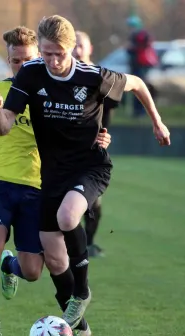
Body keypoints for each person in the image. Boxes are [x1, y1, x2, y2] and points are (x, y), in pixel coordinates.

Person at [0, 15, 170, 330]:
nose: (53, 61)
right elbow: (5, 126)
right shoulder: (30, 74)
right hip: (52, 176)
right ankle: (80, 330)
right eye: (46, 53)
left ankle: (81, 293)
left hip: (90, 167)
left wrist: (157, 121)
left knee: (68, 217)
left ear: (72, 49)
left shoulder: (92, 76)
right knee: (54, 258)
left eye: (59, 53)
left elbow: (137, 84)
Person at [0, 26, 111, 336]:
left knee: (34, 271)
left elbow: (84, 125)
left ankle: (12, 265)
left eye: (26, 60)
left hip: (38, 188)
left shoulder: (54, 95)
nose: (20, 67)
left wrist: (101, 138)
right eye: (14, 61)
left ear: (40, 57)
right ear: (8, 60)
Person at [73, 30, 119, 258]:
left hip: (93, 151)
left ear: (90, 48)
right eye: (73, 45)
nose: (77, 49)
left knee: (94, 204)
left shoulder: (102, 78)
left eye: (81, 44)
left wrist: (103, 136)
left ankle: (88, 243)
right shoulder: (62, 79)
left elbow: (108, 111)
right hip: (65, 151)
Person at [125, 15, 158, 118]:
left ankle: (141, 111)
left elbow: (144, 47)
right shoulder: (134, 35)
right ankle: (137, 111)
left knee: (140, 87)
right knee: (135, 88)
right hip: (136, 65)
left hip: (142, 65)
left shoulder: (142, 35)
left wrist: (132, 48)